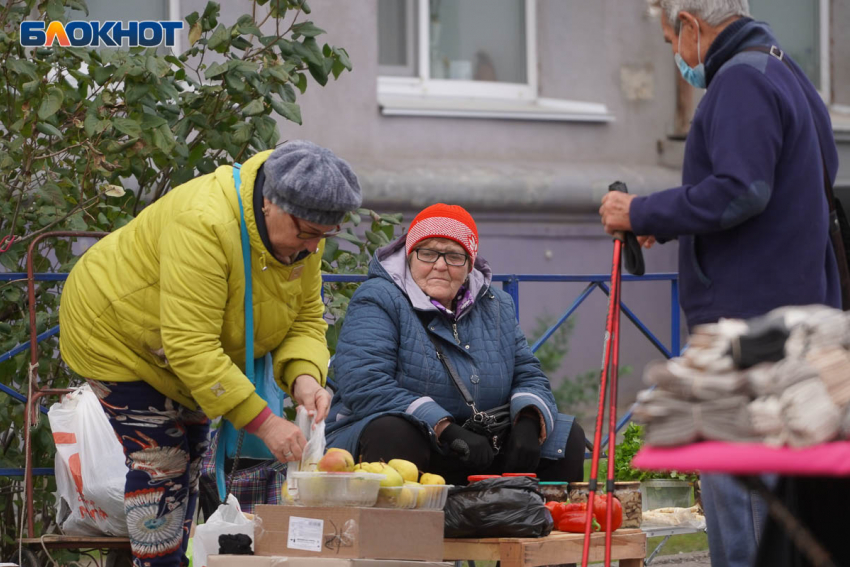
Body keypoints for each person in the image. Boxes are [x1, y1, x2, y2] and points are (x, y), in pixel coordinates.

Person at [599, 2, 840, 567]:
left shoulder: (738, 81)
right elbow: (777, 197)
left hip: (745, 330)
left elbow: (740, 189)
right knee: (784, 508)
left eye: (669, 41)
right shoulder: (784, 72)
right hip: (792, 320)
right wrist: (675, 221)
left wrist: (642, 212)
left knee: (746, 511)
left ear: (690, 24)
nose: (676, 58)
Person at [59, 140, 362, 566]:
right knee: (163, 460)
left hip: (183, 351)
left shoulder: (304, 230)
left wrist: (304, 378)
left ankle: (160, 558)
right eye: (307, 234)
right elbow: (190, 344)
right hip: (116, 333)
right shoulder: (204, 222)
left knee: (189, 456)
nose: (313, 248)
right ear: (273, 204)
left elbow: (305, 317)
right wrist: (265, 423)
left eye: (323, 236)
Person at [325, 204, 585, 484]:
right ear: (409, 256)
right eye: (427, 253)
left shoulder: (496, 306)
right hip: (407, 436)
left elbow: (528, 374)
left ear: (469, 265)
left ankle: (532, 518)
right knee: (394, 432)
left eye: (453, 256)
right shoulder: (378, 297)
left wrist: (529, 420)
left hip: (483, 441)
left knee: (565, 438)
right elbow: (364, 383)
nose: (439, 265)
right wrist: (445, 428)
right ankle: (400, 527)